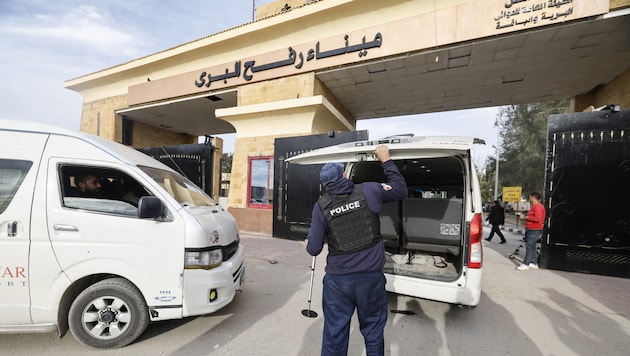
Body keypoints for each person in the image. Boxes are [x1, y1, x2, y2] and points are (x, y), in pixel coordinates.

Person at [305, 145, 407, 356]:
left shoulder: (321, 206)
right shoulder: (368, 189)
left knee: (335, 335)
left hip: (338, 282)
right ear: (343, 175)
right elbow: (400, 189)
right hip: (370, 280)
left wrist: (315, 237)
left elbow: (314, 249)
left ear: (324, 184)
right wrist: (386, 160)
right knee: (373, 331)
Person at [516, 192, 546, 271]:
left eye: (530, 197)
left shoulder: (538, 207)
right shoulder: (535, 206)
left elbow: (537, 218)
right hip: (532, 228)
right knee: (532, 246)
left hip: (534, 229)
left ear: (532, 197)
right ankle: (534, 262)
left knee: (529, 246)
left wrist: (526, 217)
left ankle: (526, 263)